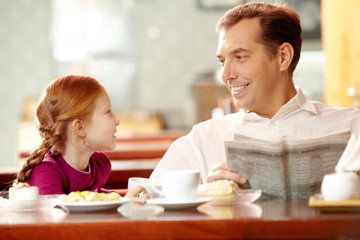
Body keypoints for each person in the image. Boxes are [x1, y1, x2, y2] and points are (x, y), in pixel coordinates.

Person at [150, 2, 360, 190]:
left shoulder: (353, 128)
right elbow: (148, 203)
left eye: (240, 57)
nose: (226, 75)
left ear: (283, 57)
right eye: (222, 61)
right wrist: (206, 197)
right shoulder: (202, 140)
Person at [16, 75, 142, 197]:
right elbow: (59, 215)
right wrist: (122, 204)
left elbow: (91, 196)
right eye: (108, 112)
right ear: (80, 128)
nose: (117, 120)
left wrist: (122, 199)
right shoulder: (46, 173)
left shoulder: (98, 164)